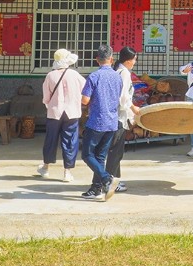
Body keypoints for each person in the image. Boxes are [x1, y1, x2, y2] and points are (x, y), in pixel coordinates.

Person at [80, 44, 123, 201]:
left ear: (97, 60)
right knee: (100, 156)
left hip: (97, 121)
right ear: (111, 59)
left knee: (87, 155)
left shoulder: (93, 77)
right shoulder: (117, 77)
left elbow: (85, 100)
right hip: (112, 122)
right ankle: (96, 189)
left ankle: (107, 179)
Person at [38, 48, 86, 182]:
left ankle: (46, 168)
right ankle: (67, 172)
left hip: (54, 112)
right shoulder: (75, 75)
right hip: (72, 113)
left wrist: (50, 103)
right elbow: (86, 90)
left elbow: (46, 97)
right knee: (70, 141)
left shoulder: (50, 75)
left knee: (50, 140)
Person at [106, 46, 141, 192]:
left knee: (116, 151)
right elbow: (123, 97)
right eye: (134, 60)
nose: (134, 62)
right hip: (119, 116)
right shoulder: (124, 73)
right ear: (128, 61)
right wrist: (133, 109)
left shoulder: (117, 70)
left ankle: (115, 180)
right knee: (116, 152)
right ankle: (109, 181)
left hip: (114, 115)